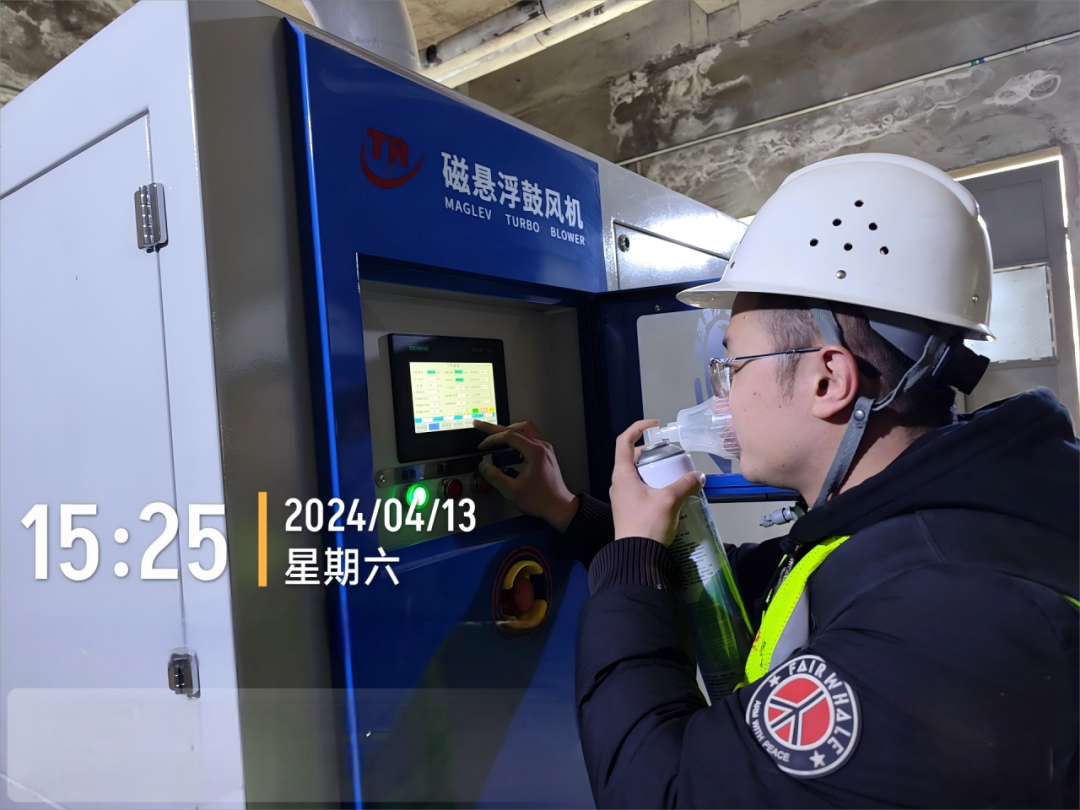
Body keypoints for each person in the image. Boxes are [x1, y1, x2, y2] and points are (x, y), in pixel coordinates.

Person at [474, 153, 1080, 808]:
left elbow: (662, 791)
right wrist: (573, 514)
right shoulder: (917, 521)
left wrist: (631, 560)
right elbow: (749, 584)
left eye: (734, 366)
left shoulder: (946, 616)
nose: (723, 397)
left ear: (828, 380)